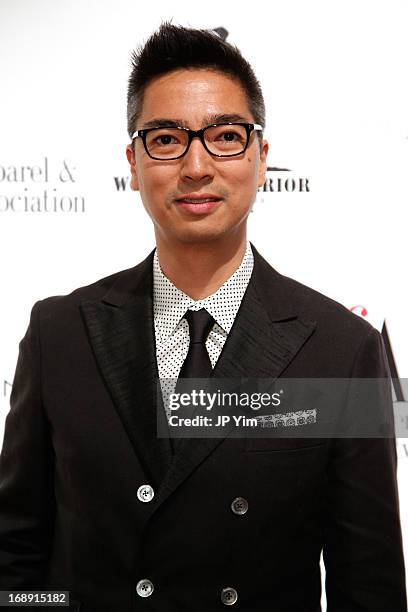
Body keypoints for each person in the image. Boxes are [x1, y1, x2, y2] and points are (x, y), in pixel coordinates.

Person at [0, 22, 406, 612]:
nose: (195, 166)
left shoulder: (344, 352)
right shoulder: (59, 333)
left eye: (224, 137)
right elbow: (15, 556)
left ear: (262, 157)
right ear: (134, 163)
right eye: (165, 139)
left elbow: (369, 587)